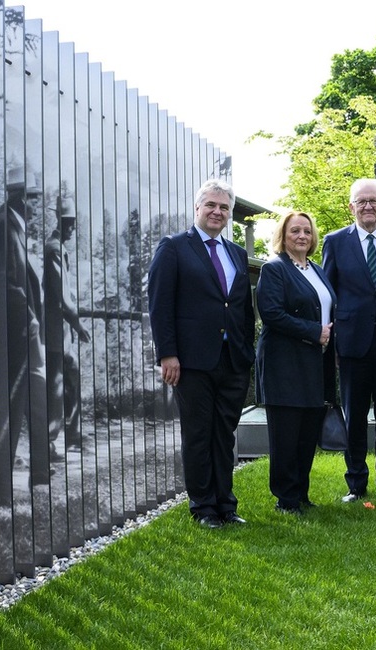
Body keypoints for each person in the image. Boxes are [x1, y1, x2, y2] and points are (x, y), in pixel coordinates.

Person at [148, 178, 255, 529]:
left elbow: (240, 308)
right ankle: (204, 508)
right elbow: (160, 305)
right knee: (198, 433)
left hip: (232, 360)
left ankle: (226, 504)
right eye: (211, 205)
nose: (217, 211)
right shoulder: (174, 248)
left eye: (224, 207)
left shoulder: (237, 253)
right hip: (191, 361)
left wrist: (247, 353)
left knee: (224, 434)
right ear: (197, 208)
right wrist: (168, 354)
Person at [321, 179, 376, 503]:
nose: (368, 206)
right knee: (354, 418)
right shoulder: (334, 242)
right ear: (352, 207)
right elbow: (329, 294)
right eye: (362, 201)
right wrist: (329, 340)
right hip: (352, 342)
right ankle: (356, 483)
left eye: (374, 201)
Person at [0, 165, 51, 512]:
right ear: (22, 198)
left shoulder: (12, 227)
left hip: (20, 338)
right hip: (11, 339)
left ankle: (8, 493)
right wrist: (31, 318)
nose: (37, 207)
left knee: (18, 412)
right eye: (34, 199)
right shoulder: (4, 226)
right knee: (4, 415)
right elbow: (5, 283)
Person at [256, 211, 336, 515]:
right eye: (295, 231)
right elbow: (272, 314)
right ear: (283, 235)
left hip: (316, 364)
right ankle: (285, 499)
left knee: (306, 432)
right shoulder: (274, 269)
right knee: (286, 434)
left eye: (306, 231)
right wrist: (315, 332)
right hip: (284, 364)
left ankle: (301, 493)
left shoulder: (316, 269)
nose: (301, 236)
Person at [44, 196, 91, 459]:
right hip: (54, 332)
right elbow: (62, 298)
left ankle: (72, 436)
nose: (73, 228)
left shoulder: (60, 249)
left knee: (69, 379)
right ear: (60, 223)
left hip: (62, 333)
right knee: (57, 385)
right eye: (68, 223)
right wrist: (78, 325)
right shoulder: (53, 249)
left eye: (73, 223)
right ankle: (51, 443)